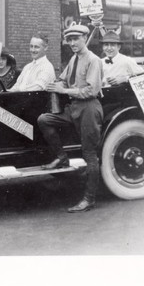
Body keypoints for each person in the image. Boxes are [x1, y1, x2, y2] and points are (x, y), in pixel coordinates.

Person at [37, 24, 104, 213]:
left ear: (85, 38)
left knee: (89, 154)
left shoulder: (93, 60)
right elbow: (64, 79)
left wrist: (64, 90)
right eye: (70, 39)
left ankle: (89, 199)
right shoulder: (74, 59)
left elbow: (92, 90)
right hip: (73, 108)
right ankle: (62, 158)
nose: (72, 43)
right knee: (44, 119)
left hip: (89, 108)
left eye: (76, 39)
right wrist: (57, 83)